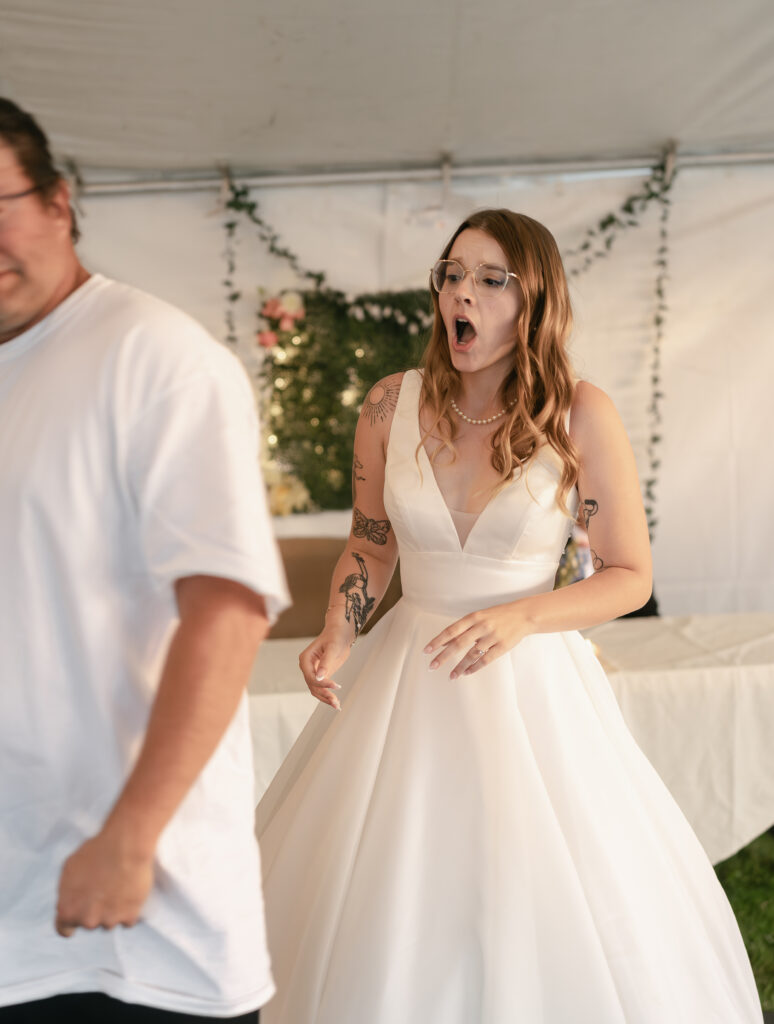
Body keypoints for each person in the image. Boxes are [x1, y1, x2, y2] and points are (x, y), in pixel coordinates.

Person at [256, 209, 763, 1022]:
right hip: (405, 678)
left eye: (491, 280)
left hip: (532, 684)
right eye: (453, 274)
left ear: (535, 301)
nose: (463, 293)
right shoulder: (391, 404)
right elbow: (371, 540)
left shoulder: (578, 413)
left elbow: (630, 575)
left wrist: (525, 618)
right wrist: (337, 629)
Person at [0, 98, 290, 1022]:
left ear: (59, 202)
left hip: (133, 930)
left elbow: (228, 609)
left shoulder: (155, 358)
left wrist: (131, 836)